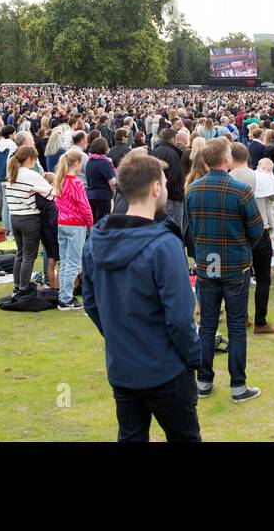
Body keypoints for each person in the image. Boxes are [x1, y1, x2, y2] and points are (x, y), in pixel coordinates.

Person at [82, 154, 201, 441]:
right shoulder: (163, 245)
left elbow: (92, 304)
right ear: (156, 189)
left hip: (126, 365)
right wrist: (193, 358)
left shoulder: (100, 240)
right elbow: (180, 317)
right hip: (161, 368)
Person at [186, 137, 264, 403]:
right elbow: (256, 230)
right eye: (230, 152)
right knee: (234, 326)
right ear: (226, 159)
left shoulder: (194, 189)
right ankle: (236, 386)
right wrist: (240, 246)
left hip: (210, 264)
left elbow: (192, 230)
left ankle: (205, 381)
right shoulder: (239, 191)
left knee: (207, 325)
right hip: (232, 266)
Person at [230, 142, 274, 332]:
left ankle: (242, 317)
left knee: (239, 278)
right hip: (260, 231)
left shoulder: (226, 179)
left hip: (236, 233)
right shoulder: (262, 178)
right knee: (263, 278)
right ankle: (260, 321)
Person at [5, 144, 53, 295]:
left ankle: (17, 285)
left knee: (21, 254)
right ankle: (24, 287)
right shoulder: (31, 175)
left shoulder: (12, 173)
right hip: (29, 218)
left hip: (15, 217)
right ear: (31, 158)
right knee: (29, 256)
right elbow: (51, 192)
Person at [52, 149, 92, 311]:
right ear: (76, 164)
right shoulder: (75, 183)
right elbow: (84, 206)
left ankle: (64, 295)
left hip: (63, 223)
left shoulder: (60, 181)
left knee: (65, 261)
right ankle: (66, 298)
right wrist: (90, 223)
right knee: (73, 263)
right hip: (75, 224)